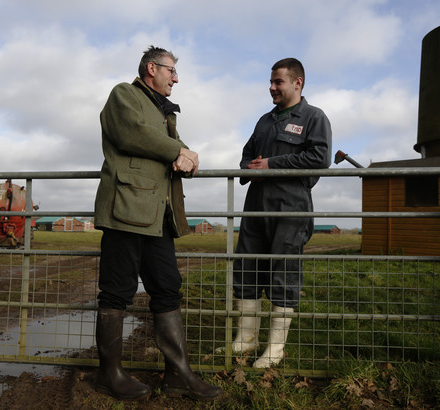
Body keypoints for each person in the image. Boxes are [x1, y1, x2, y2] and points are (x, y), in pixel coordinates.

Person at [93, 45, 222, 401]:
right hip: (127, 209)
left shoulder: (164, 112)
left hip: (158, 216)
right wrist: (178, 152)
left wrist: (189, 157)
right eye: (171, 71)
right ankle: (109, 374)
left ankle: (178, 375)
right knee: (117, 291)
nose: (176, 78)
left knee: (167, 289)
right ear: (152, 68)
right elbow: (131, 134)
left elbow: (179, 151)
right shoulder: (125, 95)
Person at [232, 58, 332, 368]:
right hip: (256, 207)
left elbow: (319, 157)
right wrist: (250, 167)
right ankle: (246, 337)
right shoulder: (264, 121)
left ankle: (275, 348)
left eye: (278, 82)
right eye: (271, 82)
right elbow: (247, 158)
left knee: (283, 273)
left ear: (297, 83)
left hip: (290, 208)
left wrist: (272, 165)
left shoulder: (314, 117)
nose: (272, 87)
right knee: (247, 268)